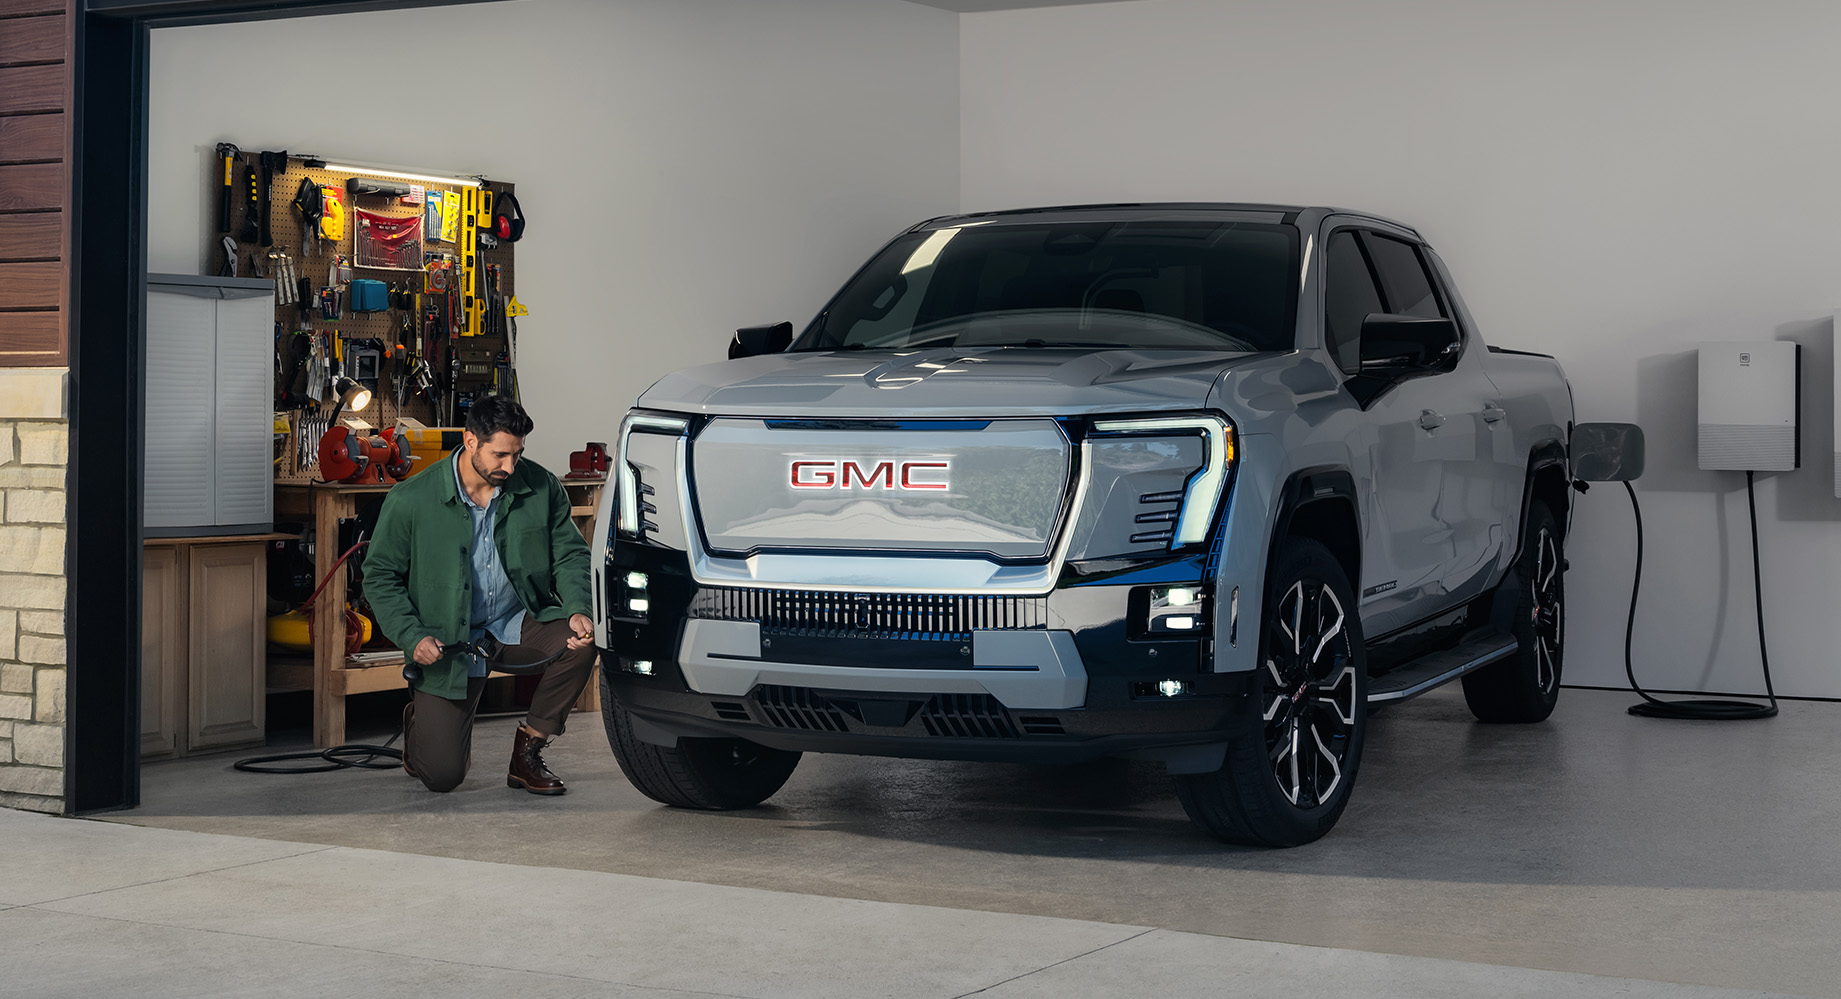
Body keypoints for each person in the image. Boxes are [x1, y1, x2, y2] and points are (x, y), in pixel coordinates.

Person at [364, 395, 597, 794]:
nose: (509, 466)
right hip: (448, 641)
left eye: (517, 454)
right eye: (500, 455)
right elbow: (379, 576)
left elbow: (571, 554)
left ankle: (528, 753)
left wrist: (578, 608)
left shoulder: (541, 487)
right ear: (470, 441)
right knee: (442, 777)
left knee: (581, 644)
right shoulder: (410, 500)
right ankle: (420, 722)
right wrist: (411, 636)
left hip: (517, 622)